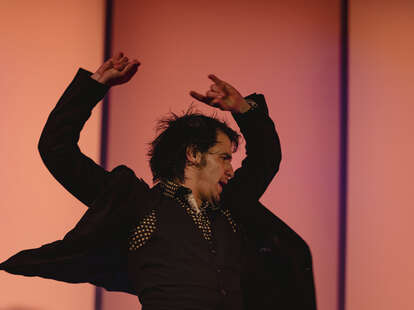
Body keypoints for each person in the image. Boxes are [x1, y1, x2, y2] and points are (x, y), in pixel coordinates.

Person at [0, 52, 317, 309]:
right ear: (193, 154)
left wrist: (244, 109)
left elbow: (265, 159)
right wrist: (93, 86)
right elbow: (57, 150)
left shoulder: (230, 207)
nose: (230, 170)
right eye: (224, 158)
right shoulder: (138, 205)